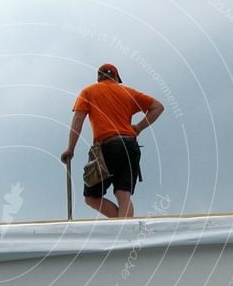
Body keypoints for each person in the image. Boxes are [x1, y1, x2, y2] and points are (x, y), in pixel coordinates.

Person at [61, 63, 164, 218]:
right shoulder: (128, 93)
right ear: (116, 77)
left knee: (91, 197)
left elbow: (78, 120)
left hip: (108, 146)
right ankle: (125, 229)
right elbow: (158, 107)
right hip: (130, 145)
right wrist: (138, 127)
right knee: (123, 194)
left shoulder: (88, 92)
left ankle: (122, 228)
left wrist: (70, 149)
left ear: (99, 77)